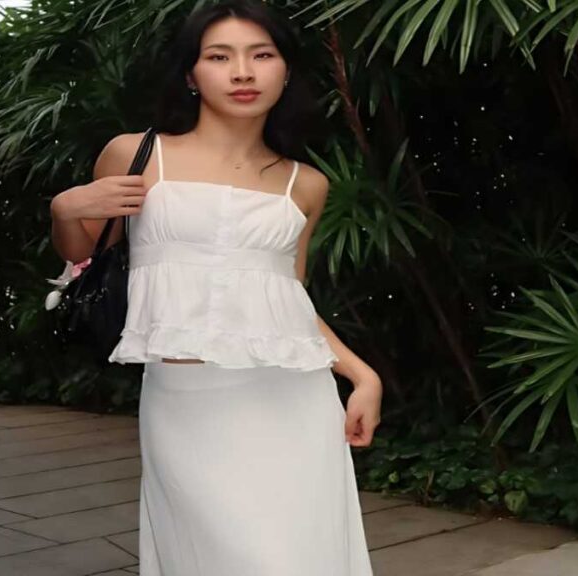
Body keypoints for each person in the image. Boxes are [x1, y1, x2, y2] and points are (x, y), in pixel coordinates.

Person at [50, 1, 382, 573]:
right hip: (187, 407)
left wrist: (361, 373)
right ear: (191, 73)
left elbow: (288, 299)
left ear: (285, 70)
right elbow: (82, 254)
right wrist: (63, 208)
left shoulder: (306, 184)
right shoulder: (136, 154)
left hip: (294, 402)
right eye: (220, 56)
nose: (243, 72)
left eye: (262, 55)